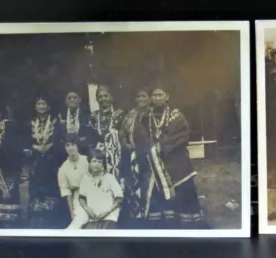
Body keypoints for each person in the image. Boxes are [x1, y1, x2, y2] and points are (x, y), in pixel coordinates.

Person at [142, 86, 209, 229]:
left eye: (160, 94)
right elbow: (142, 136)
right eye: (154, 95)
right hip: (156, 164)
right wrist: (151, 148)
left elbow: (181, 135)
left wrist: (161, 146)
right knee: (159, 193)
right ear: (151, 98)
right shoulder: (146, 117)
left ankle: (187, 225)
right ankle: (164, 226)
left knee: (183, 192)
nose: (157, 98)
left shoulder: (176, 116)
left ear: (167, 96)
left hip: (177, 162)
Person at [26, 96, 69, 229]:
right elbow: (25, 140)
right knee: (36, 186)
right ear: (35, 107)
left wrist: (51, 146)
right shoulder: (30, 123)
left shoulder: (56, 123)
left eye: (44, 104)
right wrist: (34, 147)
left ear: (48, 107)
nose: (41, 106)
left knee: (52, 185)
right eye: (39, 104)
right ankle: (38, 215)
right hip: (36, 160)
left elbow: (62, 139)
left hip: (52, 159)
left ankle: (53, 215)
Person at [117, 87, 152, 228]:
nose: (142, 99)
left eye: (144, 96)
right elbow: (121, 134)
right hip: (133, 156)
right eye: (139, 96)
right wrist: (126, 144)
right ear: (135, 99)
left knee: (148, 184)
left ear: (149, 98)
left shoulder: (153, 114)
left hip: (149, 155)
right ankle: (136, 214)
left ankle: (149, 214)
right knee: (134, 184)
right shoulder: (130, 115)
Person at [79, 150, 124, 229]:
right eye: (94, 161)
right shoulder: (85, 179)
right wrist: (87, 209)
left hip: (109, 219)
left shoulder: (109, 178)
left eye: (99, 162)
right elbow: (81, 198)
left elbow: (119, 198)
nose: (97, 164)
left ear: (102, 164)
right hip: (92, 220)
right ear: (89, 163)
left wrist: (107, 212)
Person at [89, 85, 125, 180]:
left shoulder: (119, 115)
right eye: (100, 96)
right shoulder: (94, 117)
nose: (103, 99)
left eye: (106, 96)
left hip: (116, 155)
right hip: (99, 155)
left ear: (111, 97)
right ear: (97, 99)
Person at [57, 136, 90, 229]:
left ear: (77, 146)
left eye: (73, 145)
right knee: (81, 216)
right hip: (78, 196)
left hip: (93, 192)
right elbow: (67, 193)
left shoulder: (87, 160)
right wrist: (72, 213)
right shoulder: (63, 168)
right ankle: (68, 233)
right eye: (67, 145)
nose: (70, 148)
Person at [57, 91, 92, 157]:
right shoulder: (61, 116)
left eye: (74, 97)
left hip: (82, 152)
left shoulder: (86, 116)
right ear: (65, 101)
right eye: (69, 98)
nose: (72, 100)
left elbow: (89, 136)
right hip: (65, 154)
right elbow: (58, 138)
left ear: (79, 100)